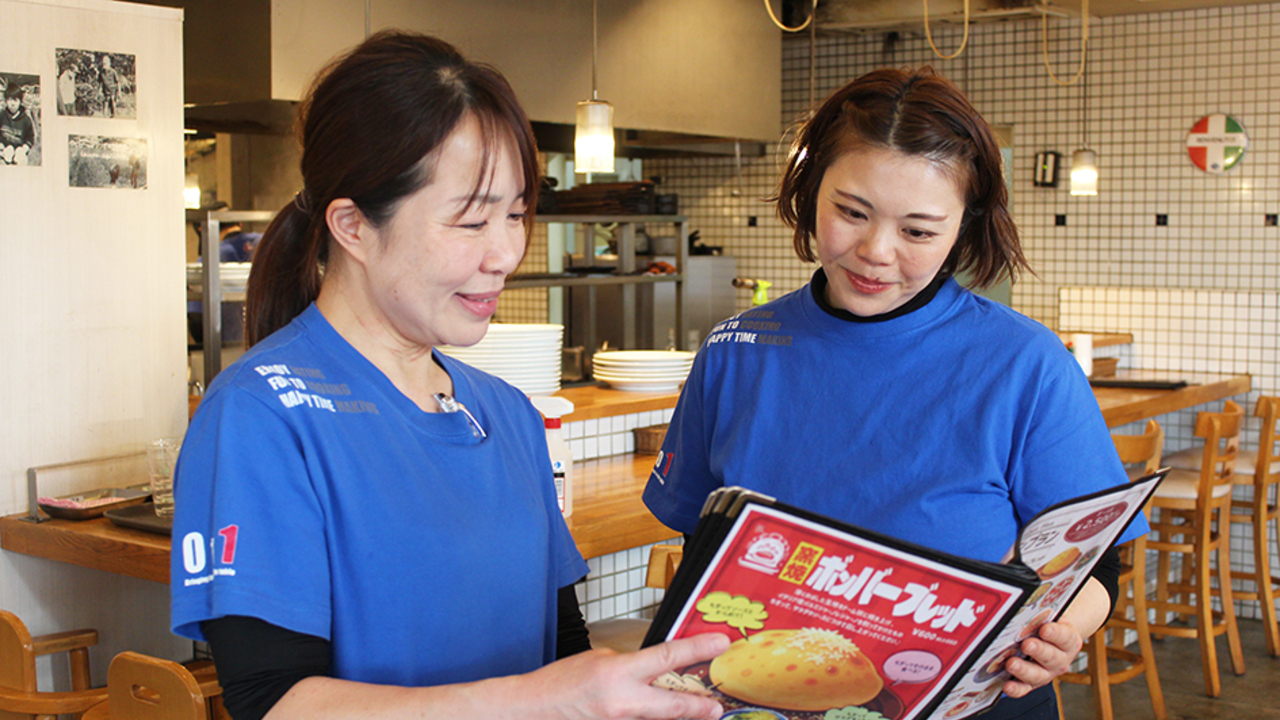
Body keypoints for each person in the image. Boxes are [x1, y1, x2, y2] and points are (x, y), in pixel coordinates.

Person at [170, 30, 728, 720]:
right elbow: (274, 701)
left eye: (518, 214)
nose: (505, 254)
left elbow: (561, 647)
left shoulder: (507, 413)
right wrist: (540, 701)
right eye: (470, 221)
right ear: (352, 226)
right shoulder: (261, 416)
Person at [642, 67, 1147, 720]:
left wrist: (1065, 632)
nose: (875, 251)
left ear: (963, 229)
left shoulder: (1026, 364)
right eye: (851, 212)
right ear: (808, 189)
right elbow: (700, 544)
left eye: (917, 231)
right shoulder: (737, 349)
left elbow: (1093, 565)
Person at [0, 85, 35, 165]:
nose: (12, 104)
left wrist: (24, 149)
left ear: (20, 102)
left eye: (15, 100)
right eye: (9, 100)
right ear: (6, 101)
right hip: (4, 149)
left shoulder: (26, 120)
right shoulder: (2, 116)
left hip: (19, 151)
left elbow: (30, 138)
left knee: (21, 160)